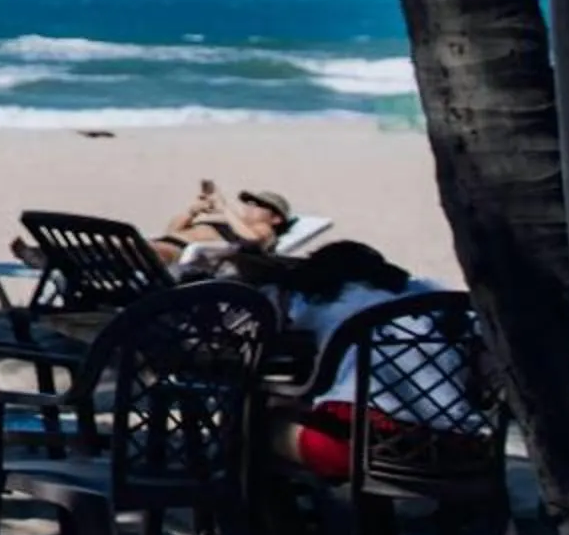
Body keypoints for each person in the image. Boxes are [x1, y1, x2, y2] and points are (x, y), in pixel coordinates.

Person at [267, 241, 458, 483]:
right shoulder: (425, 297)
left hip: (371, 449)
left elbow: (284, 333)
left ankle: (273, 515)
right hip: (460, 442)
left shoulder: (326, 304)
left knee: (257, 424)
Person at [151, 179, 294, 267]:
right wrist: (193, 211)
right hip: (163, 244)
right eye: (249, 202)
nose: (250, 206)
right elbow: (171, 231)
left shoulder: (263, 229)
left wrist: (224, 208)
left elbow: (252, 239)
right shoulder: (233, 223)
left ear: (276, 219)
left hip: (179, 253)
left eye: (259, 204)